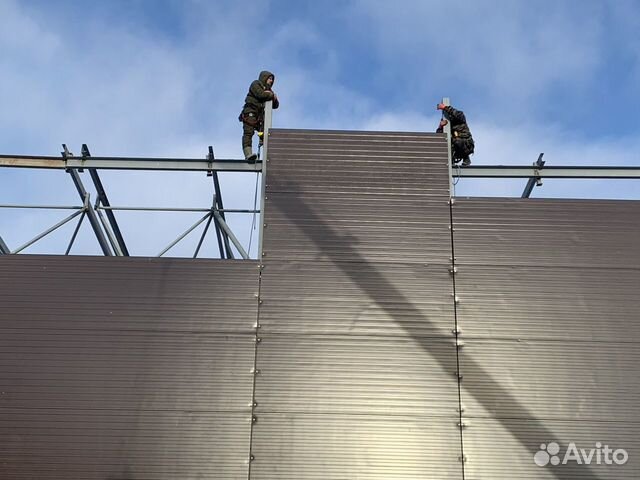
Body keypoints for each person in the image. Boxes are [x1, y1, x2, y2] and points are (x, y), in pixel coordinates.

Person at [239, 70, 280, 162]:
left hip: (259, 116)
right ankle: (248, 153)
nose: (271, 81)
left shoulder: (269, 91)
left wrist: (273, 96)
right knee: (248, 132)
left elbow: (275, 105)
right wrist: (271, 95)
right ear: (264, 78)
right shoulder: (256, 84)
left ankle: (265, 148)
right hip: (250, 112)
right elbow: (260, 94)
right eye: (269, 79)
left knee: (265, 132)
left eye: (272, 79)